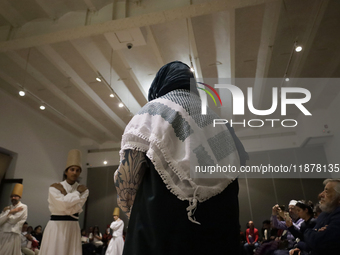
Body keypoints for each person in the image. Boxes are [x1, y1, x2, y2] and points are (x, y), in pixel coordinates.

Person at [114, 61, 248, 254]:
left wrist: (132, 213)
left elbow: (128, 179)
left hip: (161, 227)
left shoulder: (151, 111)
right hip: (219, 226)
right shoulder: (219, 121)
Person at [39, 149, 89, 255]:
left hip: (73, 227)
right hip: (56, 226)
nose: (75, 172)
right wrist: (76, 195)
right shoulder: (54, 187)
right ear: (66, 171)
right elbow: (63, 205)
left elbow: (71, 207)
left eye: (77, 170)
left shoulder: (84, 189)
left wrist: (65, 197)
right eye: (72, 169)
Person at [303, 179, 340, 254]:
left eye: (326, 192)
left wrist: (307, 232)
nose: (321, 195)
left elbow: (318, 242)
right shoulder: (324, 214)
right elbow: (310, 243)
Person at [0, 183, 28, 255]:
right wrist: (11, 212)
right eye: (12, 196)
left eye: (15, 196)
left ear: (19, 197)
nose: (13, 198)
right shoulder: (8, 208)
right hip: (3, 232)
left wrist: (6, 216)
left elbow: (13, 220)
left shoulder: (23, 207)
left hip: (13, 233)